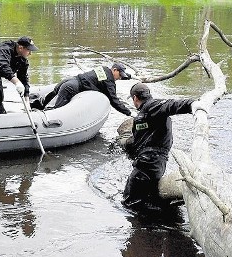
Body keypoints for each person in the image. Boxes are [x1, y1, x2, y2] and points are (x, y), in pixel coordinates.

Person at [122, 82, 196, 211]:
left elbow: (171, 105)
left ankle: (141, 229)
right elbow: (137, 141)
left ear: (135, 98)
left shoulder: (152, 106)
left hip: (147, 165)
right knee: (148, 200)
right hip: (155, 164)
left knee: (129, 204)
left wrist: (192, 104)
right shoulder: (144, 114)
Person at [31, 63, 132, 116]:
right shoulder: (108, 80)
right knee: (57, 111)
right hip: (72, 87)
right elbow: (114, 100)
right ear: (114, 70)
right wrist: (128, 112)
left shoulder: (103, 69)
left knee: (51, 95)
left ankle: (33, 106)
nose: (119, 78)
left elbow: (118, 76)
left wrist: (128, 76)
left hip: (70, 80)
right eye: (119, 75)